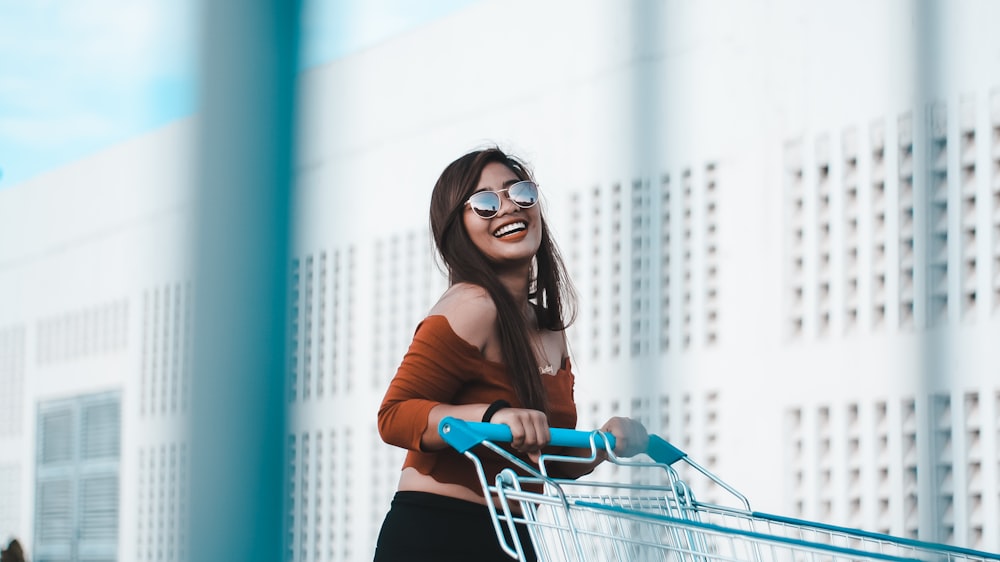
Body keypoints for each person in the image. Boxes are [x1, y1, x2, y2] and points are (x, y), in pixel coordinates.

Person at [374, 147, 648, 561]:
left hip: (513, 539)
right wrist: (492, 416)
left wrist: (604, 443)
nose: (507, 208)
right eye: (483, 203)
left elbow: (545, 459)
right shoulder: (472, 305)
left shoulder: (549, 330)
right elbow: (393, 416)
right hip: (439, 533)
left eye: (519, 193)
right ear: (458, 228)